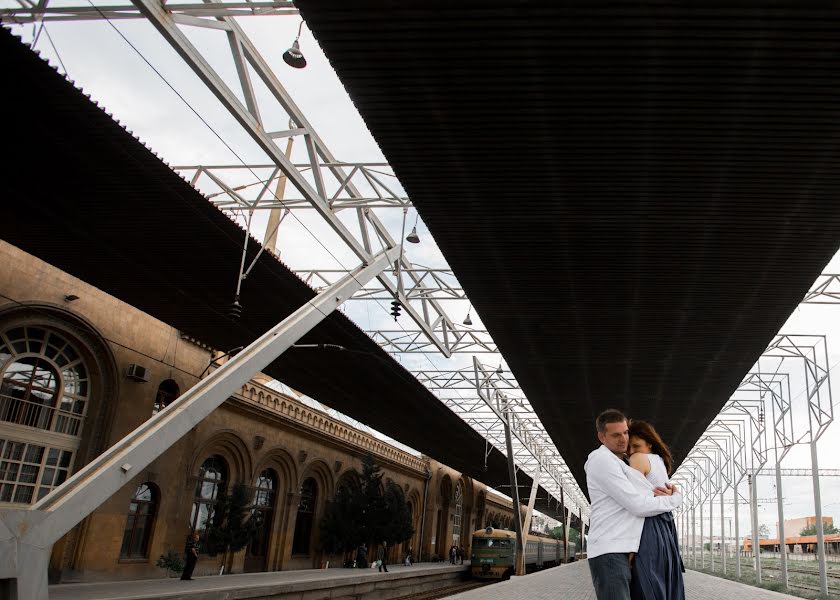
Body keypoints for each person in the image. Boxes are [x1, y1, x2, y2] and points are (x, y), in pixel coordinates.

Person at [585, 409, 683, 600]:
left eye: (625, 433)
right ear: (601, 437)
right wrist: (675, 499)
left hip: (622, 547)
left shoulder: (622, 462)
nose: (623, 440)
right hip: (610, 550)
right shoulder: (602, 460)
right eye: (616, 435)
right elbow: (637, 505)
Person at [628, 420, 686, 600]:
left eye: (636, 446)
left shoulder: (638, 459)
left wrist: (629, 548)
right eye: (629, 448)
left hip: (648, 526)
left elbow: (633, 504)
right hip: (666, 530)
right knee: (664, 583)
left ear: (649, 443)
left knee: (645, 583)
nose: (631, 452)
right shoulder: (659, 461)